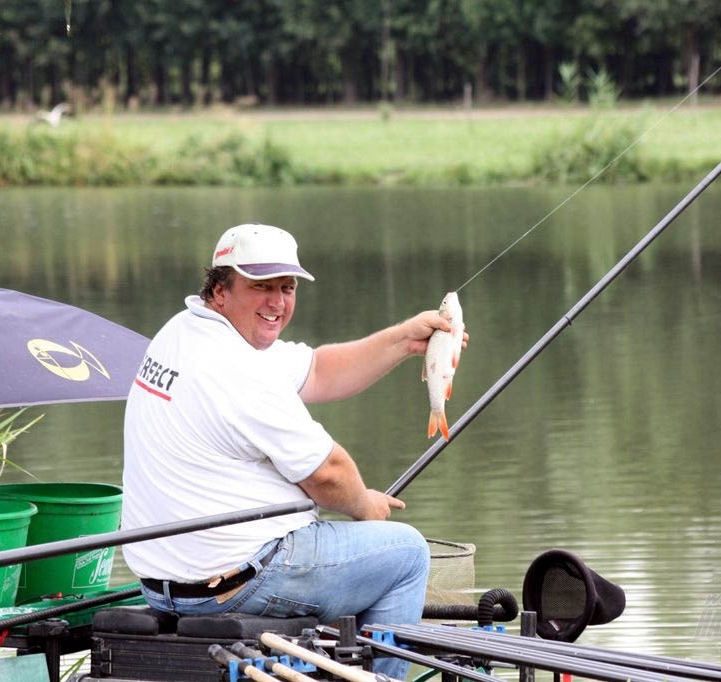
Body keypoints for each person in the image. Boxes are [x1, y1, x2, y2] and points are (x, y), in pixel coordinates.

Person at [121, 222, 464, 680]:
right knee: (405, 552)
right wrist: (365, 504)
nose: (277, 303)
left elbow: (319, 370)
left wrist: (405, 340)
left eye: (287, 287)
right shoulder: (238, 370)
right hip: (237, 581)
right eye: (261, 287)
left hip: (164, 584)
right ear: (220, 289)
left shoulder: (184, 331)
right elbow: (329, 474)